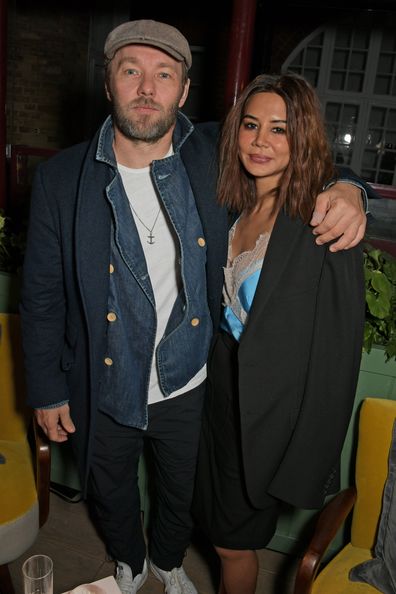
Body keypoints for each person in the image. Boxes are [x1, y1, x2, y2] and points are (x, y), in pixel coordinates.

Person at [20, 19, 367, 594]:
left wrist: (351, 186)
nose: (147, 88)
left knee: (180, 490)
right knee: (110, 490)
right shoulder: (61, 178)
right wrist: (46, 388)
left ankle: (167, 560)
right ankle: (129, 564)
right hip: (105, 378)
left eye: (164, 75)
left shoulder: (211, 152)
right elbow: (41, 295)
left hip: (190, 377)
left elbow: (296, 155)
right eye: (131, 71)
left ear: (184, 91)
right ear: (108, 83)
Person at [192, 73, 366, 594]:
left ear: (303, 137)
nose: (261, 141)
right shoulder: (234, 204)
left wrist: (351, 187)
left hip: (269, 415)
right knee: (212, 521)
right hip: (217, 394)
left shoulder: (323, 218)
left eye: (280, 129)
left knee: (233, 543)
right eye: (251, 126)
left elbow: (337, 354)